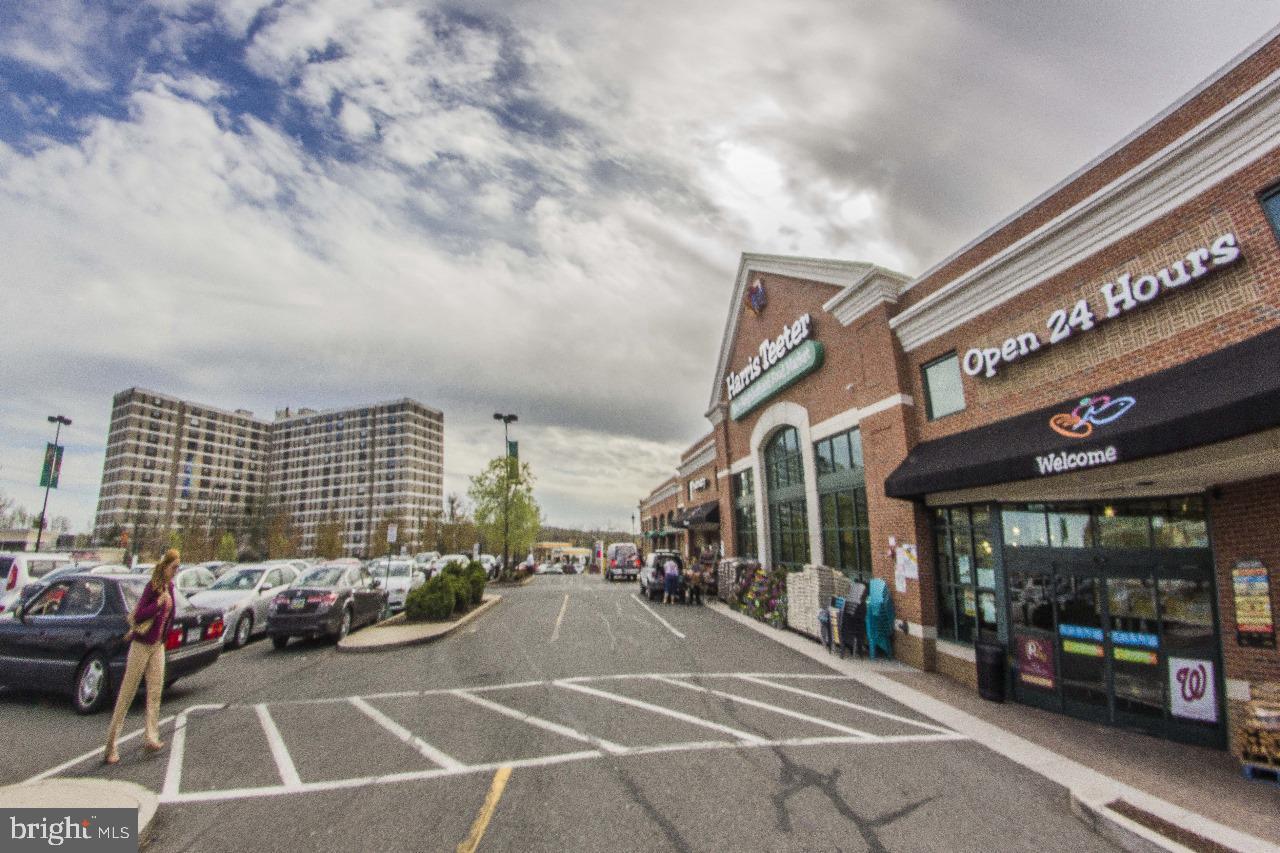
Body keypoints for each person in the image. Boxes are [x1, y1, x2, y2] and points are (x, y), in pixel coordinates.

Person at [103, 548, 180, 765]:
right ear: (165, 567)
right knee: (127, 693)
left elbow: (170, 617)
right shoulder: (152, 587)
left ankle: (151, 737)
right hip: (141, 645)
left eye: (178, 568)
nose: (176, 571)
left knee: (155, 692)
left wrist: (164, 637)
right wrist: (157, 604)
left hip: (157, 646)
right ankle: (111, 746)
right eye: (174, 567)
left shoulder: (171, 588)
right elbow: (138, 614)